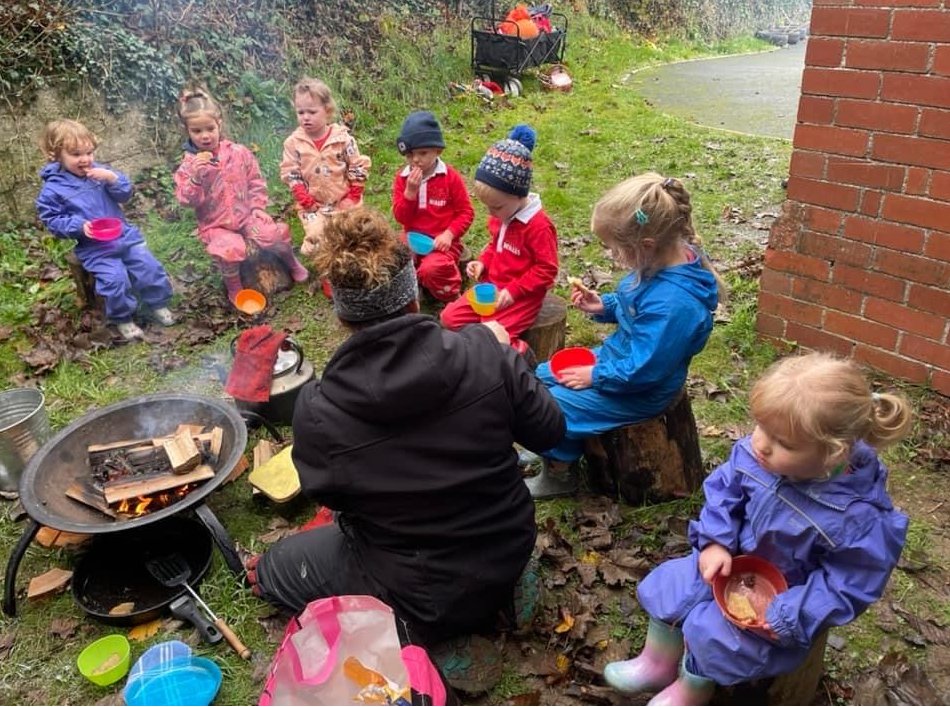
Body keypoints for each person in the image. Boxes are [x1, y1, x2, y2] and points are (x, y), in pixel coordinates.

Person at [246, 207, 565, 648]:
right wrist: (514, 360)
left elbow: (330, 497)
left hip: (420, 595)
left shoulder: (319, 409)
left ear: (342, 316)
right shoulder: (487, 355)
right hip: (508, 549)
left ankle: (416, 637)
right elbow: (550, 432)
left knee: (275, 568)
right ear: (413, 297)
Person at [603, 352, 912, 706]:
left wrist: (790, 613)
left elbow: (850, 583)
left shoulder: (858, 517)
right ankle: (656, 663)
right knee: (672, 587)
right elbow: (724, 492)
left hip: (782, 594)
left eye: (783, 442)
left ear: (833, 453)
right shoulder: (756, 455)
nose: (761, 444)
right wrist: (715, 541)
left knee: (716, 636)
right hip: (729, 559)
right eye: (760, 426)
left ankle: (693, 687)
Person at [525, 173, 723, 499]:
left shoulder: (674, 306)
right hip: (620, 362)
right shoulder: (662, 258)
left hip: (641, 388)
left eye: (614, 248)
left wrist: (596, 375)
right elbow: (635, 304)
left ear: (645, 245)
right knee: (543, 376)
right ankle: (551, 442)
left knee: (552, 404)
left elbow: (645, 369)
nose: (611, 255)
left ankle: (560, 473)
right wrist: (603, 305)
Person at [35, 119, 175, 340]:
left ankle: (158, 303)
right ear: (56, 155)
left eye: (89, 152)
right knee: (115, 280)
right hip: (95, 248)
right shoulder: (53, 189)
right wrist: (79, 226)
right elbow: (52, 220)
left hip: (124, 236)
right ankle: (123, 318)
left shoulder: (100, 172)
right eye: (76, 154)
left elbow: (125, 194)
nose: (85, 159)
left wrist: (113, 179)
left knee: (149, 266)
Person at [173, 85, 309, 305]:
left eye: (210, 128)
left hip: (245, 216)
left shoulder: (238, 153)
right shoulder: (189, 165)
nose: (205, 136)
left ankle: (291, 262)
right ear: (188, 132)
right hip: (215, 224)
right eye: (197, 131)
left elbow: (256, 181)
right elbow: (186, 200)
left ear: (219, 124)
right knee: (230, 248)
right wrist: (196, 178)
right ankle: (234, 287)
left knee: (271, 234)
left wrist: (256, 208)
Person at [440, 125, 558, 357]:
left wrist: (515, 290)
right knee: (448, 318)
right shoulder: (503, 215)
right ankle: (479, 344)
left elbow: (547, 270)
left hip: (521, 296)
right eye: (487, 207)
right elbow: (496, 245)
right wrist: (483, 261)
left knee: (491, 338)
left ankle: (520, 353)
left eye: (497, 207)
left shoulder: (538, 226)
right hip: (493, 288)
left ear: (519, 195)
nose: (491, 214)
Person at [280, 77, 371, 299]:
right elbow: (291, 172)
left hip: (343, 199)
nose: (306, 118)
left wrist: (353, 193)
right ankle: (330, 275)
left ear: (327, 111)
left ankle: (357, 269)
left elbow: (357, 165)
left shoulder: (342, 139)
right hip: (314, 204)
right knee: (319, 239)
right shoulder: (294, 143)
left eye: (312, 112)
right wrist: (303, 196)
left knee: (351, 235)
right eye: (301, 113)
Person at [392, 110, 474, 302]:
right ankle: (411, 290)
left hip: (442, 242)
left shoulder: (449, 178)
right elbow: (401, 217)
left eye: (422, 153)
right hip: (412, 237)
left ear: (438, 151)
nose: (416, 160)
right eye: (410, 154)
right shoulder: (403, 178)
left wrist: (449, 234)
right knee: (394, 257)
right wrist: (410, 194)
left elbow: (466, 212)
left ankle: (451, 295)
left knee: (432, 269)